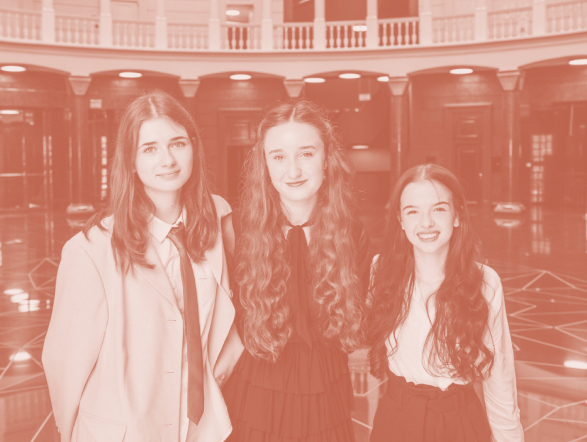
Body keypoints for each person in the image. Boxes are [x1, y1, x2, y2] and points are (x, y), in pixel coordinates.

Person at [42, 90, 243, 442]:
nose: (167, 160)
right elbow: (65, 364)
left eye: (177, 143)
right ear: (130, 161)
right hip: (126, 430)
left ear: (194, 148)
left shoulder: (218, 216)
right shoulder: (89, 250)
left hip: (205, 425)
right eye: (149, 148)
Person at [221, 99, 371, 442]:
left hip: (326, 390)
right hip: (254, 390)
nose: (293, 171)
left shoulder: (352, 234)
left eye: (306, 154)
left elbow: (354, 322)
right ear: (264, 164)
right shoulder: (233, 230)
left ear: (326, 159)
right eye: (278, 157)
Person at [366, 164, 524, 442]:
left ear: (457, 215)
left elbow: (499, 376)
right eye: (412, 211)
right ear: (401, 220)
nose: (426, 223)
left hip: (458, 422)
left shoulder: (484, 282)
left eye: (438, 209)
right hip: (395, 419)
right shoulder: (381, 271)